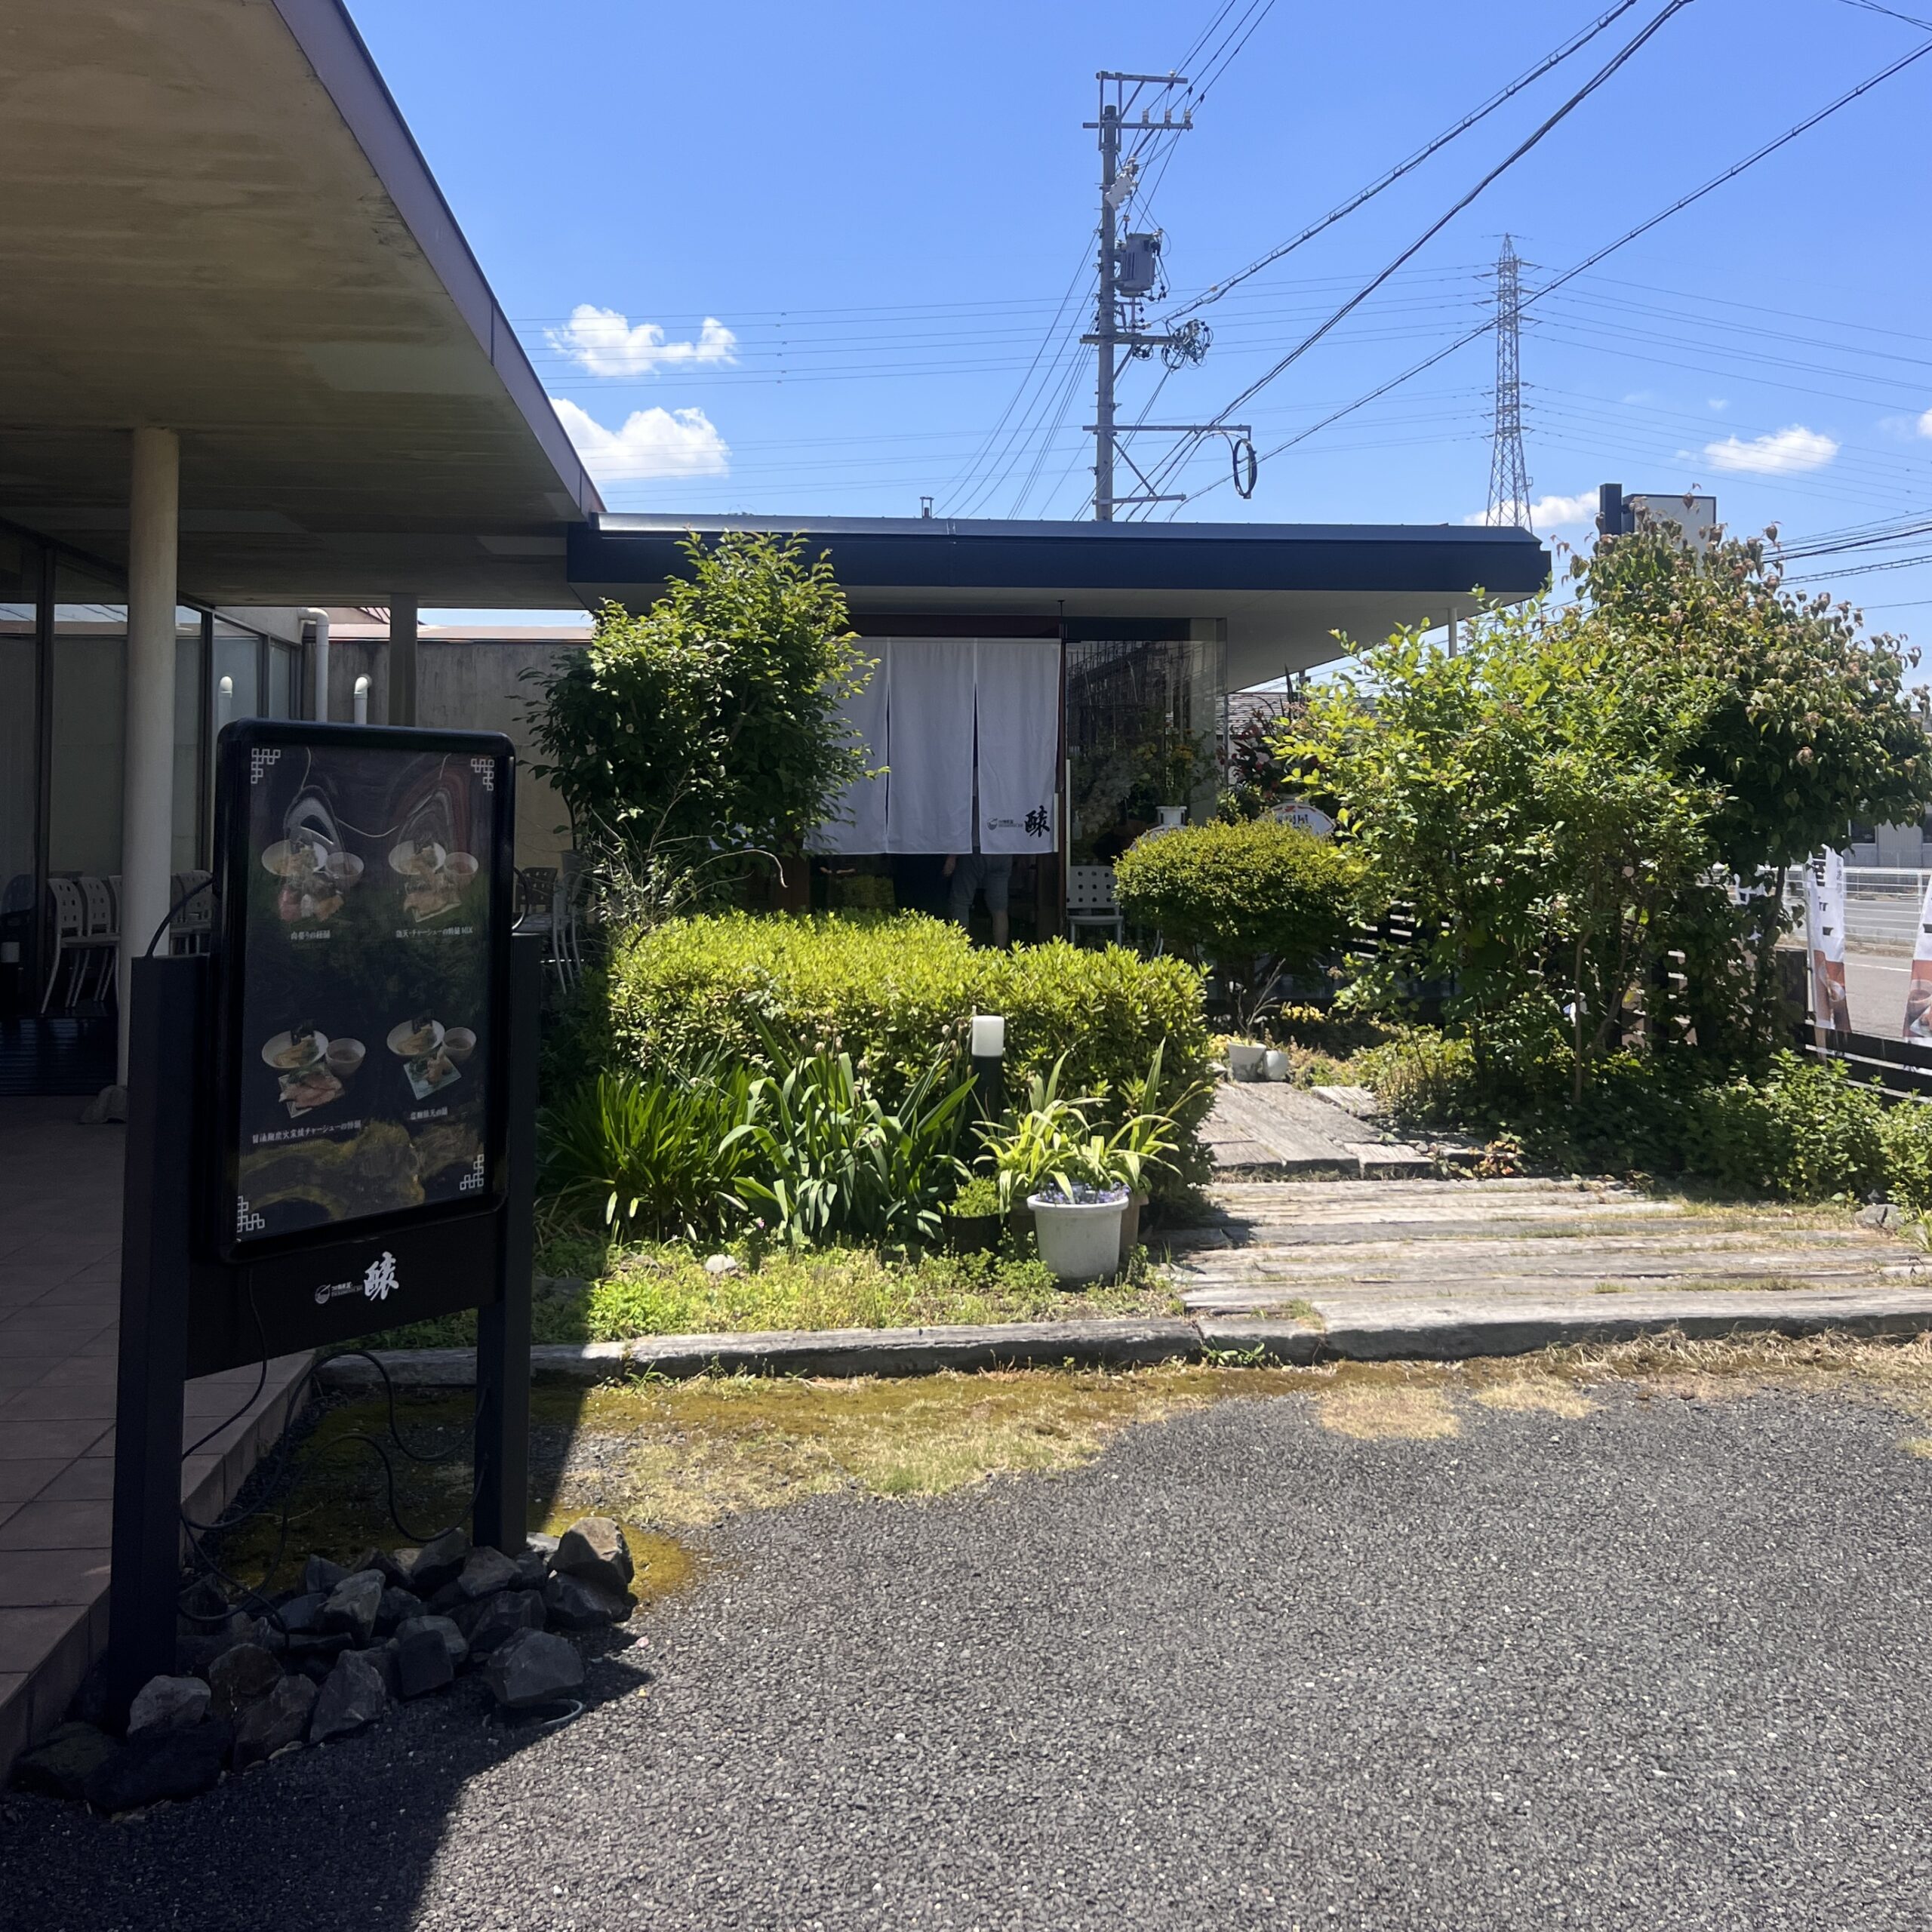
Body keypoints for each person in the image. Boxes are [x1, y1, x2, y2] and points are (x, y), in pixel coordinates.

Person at [943, 851, 1011, 947]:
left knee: (960, 903)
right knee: (999, 909)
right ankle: (1001, 953)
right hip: (1003, 851)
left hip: (974, 848)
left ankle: (962, 951)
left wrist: (952, 856)